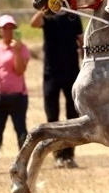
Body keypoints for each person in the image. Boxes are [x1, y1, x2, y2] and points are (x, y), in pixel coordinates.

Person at [31, 9, 83, 168]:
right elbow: (33, 23)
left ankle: (69, 155)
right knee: (52, 115)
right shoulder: (47, 16)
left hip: (71, 71)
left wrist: (85, 60)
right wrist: (45, 9)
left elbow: (81, 40)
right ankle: (57, 156)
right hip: (51, 73)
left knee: (72, 117)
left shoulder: (73, 15)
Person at [0, 15, 30, 172]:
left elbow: (20, 70)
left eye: (11, 28)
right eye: (5, 28)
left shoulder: (21, 48)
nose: (8, 31)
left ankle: (24, 160)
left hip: (17, 96)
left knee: (20, 129)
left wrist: (16, 50)